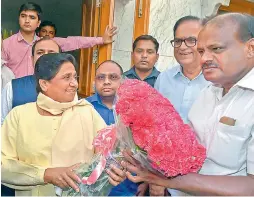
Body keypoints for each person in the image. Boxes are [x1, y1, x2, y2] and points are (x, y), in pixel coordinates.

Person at [122, 13, 254, 196]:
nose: (204, 58)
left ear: (251, 48)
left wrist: (164, 179)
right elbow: (185, 151)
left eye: (216, 49)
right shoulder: (208, 93)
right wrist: (148, 165)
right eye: (201, 51)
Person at [1, 53, 125, 196]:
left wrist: (116, 170)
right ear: (44, 84)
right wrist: (44, 174)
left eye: (75, 77)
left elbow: (109, 156)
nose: (75, 84)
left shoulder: (87, 112)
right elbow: (3, 165)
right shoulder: (19, 115)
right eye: (67, 78)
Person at [2, 2, 117, 78]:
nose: (27, 20)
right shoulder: (6, 44)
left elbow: (73, 41)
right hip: (15, 92)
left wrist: (101, 39)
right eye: (23, 16)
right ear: (19, 19)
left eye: (32, 17)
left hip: (42, 90)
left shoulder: (48, 43)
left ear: (38, 23)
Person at [86, 60, 138, 196]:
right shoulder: (83, 108)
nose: (106, 81)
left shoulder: (135, 109)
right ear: (94, 81)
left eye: (113, 77)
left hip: (126, 186)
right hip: (90, 186)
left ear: (123, 81)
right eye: (101, 77)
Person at [155, 16, 210, 123]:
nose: (182, 47)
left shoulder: (216, 82)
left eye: (191, 40)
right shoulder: (164, 78)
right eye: (178, 41)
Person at [1, 37, 61, 124]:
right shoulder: (13, 88)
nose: (45, 56)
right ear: (32, 59)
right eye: (40, 52)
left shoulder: (68, 88)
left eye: (52, 53)